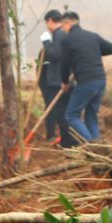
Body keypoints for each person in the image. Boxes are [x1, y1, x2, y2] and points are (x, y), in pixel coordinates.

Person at [56, 11, 112, 146]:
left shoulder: (67, 40)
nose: (62, 29)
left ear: (67, 24)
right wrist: (92, 50)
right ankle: (99, 145)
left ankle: (92, 144)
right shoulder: (92, 36)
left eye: (62, 26)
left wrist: (65, 82)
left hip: (86, 81)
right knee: (91, 115)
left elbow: (64, 64)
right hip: (100, 80)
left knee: (71, 115)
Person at [35, 10, 68, 145]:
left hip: (55, 80)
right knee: (58, 108)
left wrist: (46, 42)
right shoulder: (60, 34)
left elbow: (55, 55)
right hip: (56, 79)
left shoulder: (59, 34)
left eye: (46, 23)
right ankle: (62, 135)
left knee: (52, 107)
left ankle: (52, 136)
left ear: (49, 21)